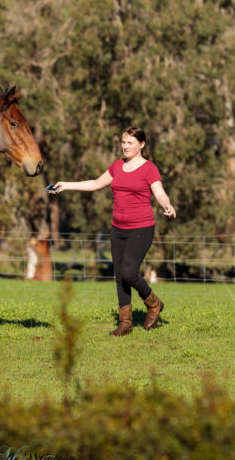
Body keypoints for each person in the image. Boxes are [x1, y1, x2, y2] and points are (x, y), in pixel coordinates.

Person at [48, 126, 176, 336]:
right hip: (117, 228)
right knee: (119, 275)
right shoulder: (117, 166)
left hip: (141, 227)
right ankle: (125, 322)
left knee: (129, 272)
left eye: (130, 143)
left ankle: (153, 304)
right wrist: (66, 185)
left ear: (141, 145)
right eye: (123, 142)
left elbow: (160, 193)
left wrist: (166, 205)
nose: (125, 146)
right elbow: (96, 183)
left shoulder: (149, 168)